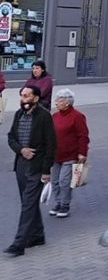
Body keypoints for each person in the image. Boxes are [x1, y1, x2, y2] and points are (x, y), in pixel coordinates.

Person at [5, 86, 56, 257]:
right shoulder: (19, 114)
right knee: (29, 203)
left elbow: (51, 145)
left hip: (37, 166)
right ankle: (37, 236)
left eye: (26, 95)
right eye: (22, 96)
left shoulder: (44, 116)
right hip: (21, 164)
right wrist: (21, 150)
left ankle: (19, 243)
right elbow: (11, 137)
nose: (23, 98)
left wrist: (46, 170)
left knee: (28, 203)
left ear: (35, 98)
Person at [49, 89, 89, 218]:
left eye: (59, 100)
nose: (56, 102)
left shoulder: (77, 116)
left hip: (71, 155)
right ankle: (58, 202)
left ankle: (65, 205)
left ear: (67, 102)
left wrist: (82, 153)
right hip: (56, 154)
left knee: (64, 181)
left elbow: (83, 135)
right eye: (56, 99)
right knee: (54, 181)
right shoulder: (55, 116)